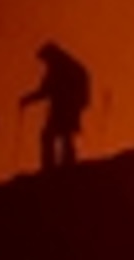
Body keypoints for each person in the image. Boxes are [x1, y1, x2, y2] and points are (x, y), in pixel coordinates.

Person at [19, 41, 92, 173]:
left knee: (52, 136)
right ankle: (66, 164)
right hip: (67, 108)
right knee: (63, 136)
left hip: (64, 108)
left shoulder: (61, 68)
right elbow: (46, 89)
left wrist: (28, 99)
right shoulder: (68, 66)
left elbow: (46, 90)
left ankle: (53, 167)